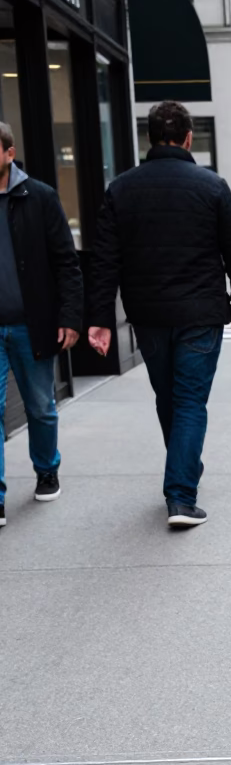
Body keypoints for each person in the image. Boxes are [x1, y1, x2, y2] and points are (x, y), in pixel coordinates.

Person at [88, 100, 231, 528]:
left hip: (148, 314)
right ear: (187, 138)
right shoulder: (211, 186)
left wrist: (100, 317)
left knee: (170, 398)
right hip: (200, 311)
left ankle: (183, 471)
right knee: (189, 402)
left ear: (149, 138)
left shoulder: (121, 189)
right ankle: (181, 495)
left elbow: (105, 259)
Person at [0, 121, 83, 527]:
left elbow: (67, 262)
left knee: (40, 407)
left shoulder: (41, 198)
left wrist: (70, 317)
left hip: (31, 324)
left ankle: (46, 469)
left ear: (9, 153)